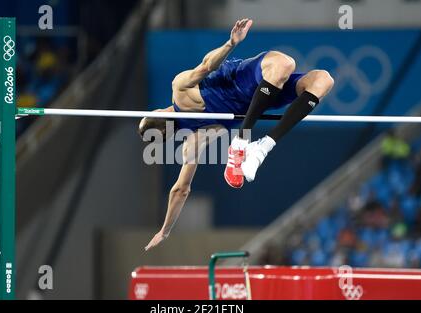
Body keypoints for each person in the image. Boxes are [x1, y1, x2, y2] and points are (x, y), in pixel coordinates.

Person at [140, 18, 334, 250]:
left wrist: (166, 230)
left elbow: (180, 190)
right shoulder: (179, 90)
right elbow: (206, 66)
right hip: (245, 80)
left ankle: (262, 145)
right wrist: (231, 43)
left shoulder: (193, 142)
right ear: (158, 112)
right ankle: (241, 143)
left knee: (323, 80)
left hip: (263, 94)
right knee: (286, 64)